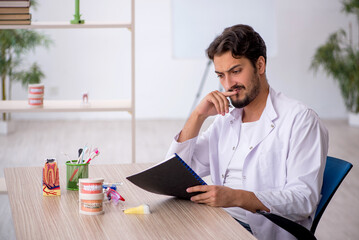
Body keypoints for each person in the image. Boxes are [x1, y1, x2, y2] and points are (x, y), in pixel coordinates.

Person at [166, 24, 329, 240]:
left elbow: (303, 199)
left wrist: (236, 197)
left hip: (259, 233)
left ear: (260, 65)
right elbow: (174, 173)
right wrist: (198, 116)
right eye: (221, 76)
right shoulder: (225, 120)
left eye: (235, 72)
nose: (228, 85)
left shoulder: (300, 120)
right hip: (218, 223)